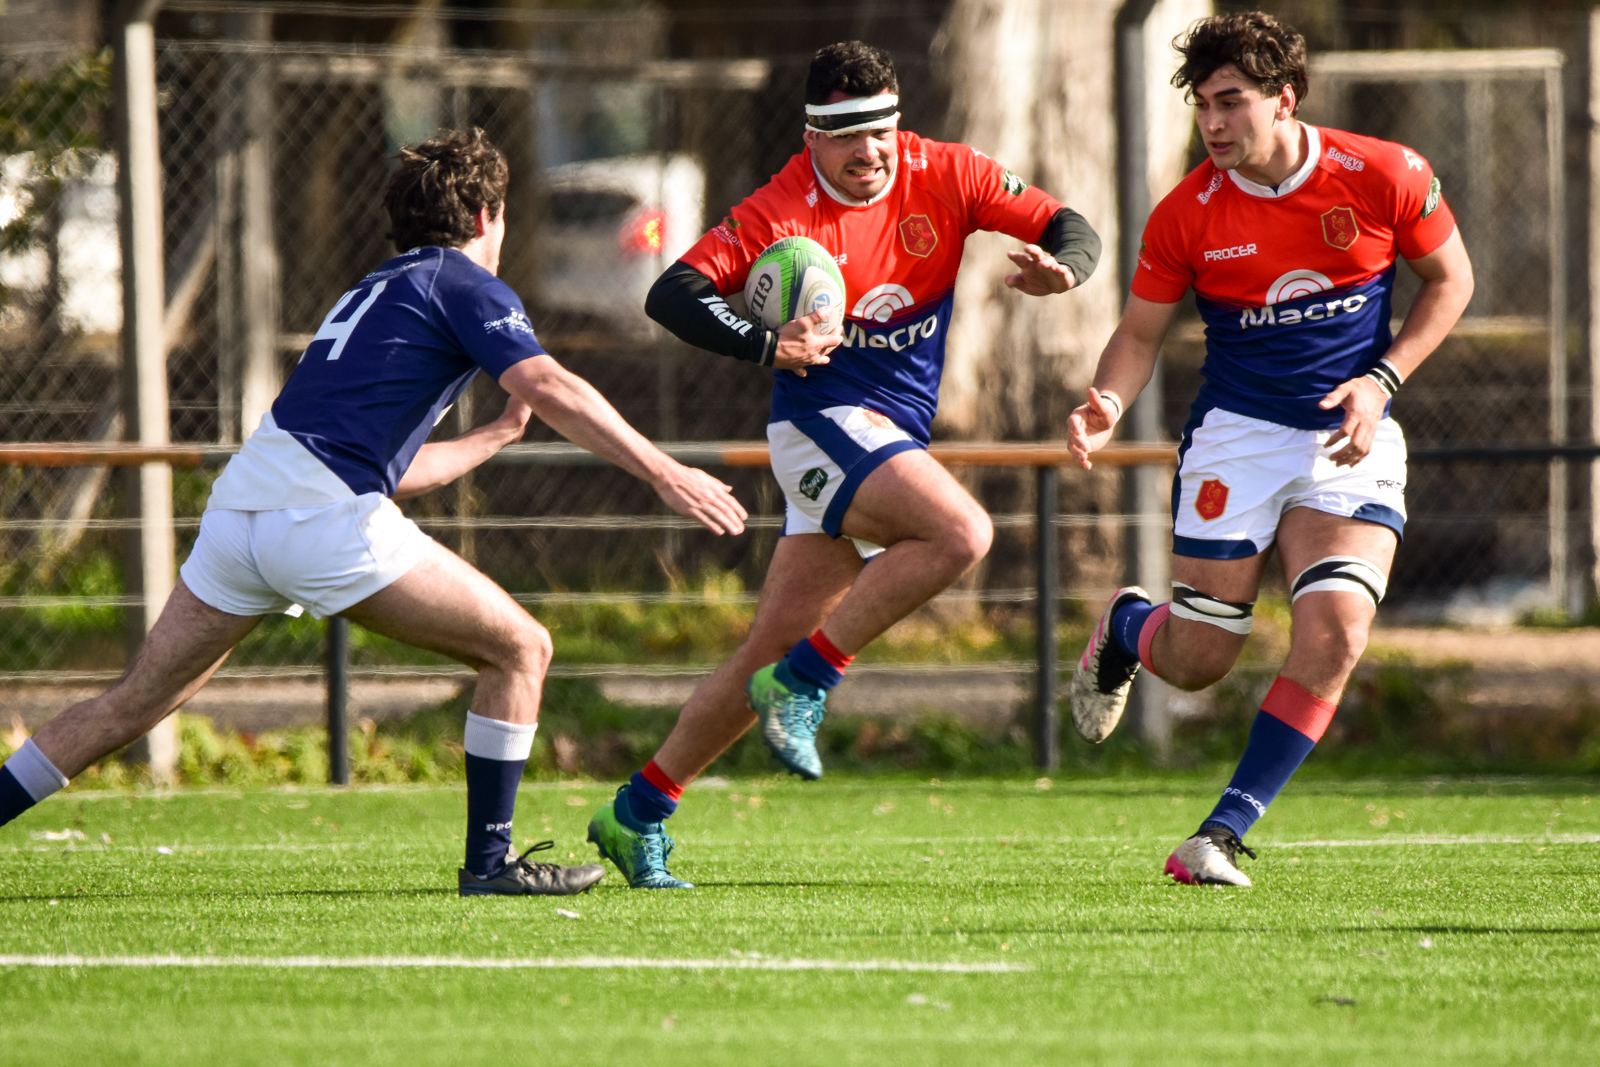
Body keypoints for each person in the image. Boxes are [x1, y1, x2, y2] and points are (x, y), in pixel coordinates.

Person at [0, 128, 748, 897]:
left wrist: (489, 439)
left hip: (243, 513)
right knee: (520, 649)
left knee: (132, 702)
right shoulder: (468, 284)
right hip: (318, 521)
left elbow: (378, 465)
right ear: (489, 213)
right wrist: (664, 471)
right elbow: (552, 387)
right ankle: (490, 865)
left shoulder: (377, 286)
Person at [585, 40, 1102, 888]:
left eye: (881, 131)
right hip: (820, 423)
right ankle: (808, 683)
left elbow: (1068, 226)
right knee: (962, 532)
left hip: (887, 435)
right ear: (812, 137)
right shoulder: (779, 212)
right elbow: (670, 292)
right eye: (847, 133)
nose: (870, 151)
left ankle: (633, 812)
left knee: (765, 648)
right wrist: (765, 342)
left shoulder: (948, 172)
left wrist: (1064, 272)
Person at [1067, 13, 1474, 886]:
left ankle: (1217, 834)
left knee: (1337, 629)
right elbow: (1139, 336)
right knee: (1199, 662)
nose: (1213, 124)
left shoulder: (1383, 172)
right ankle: (1128, 627)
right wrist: (1105, 400)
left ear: (1285, 99)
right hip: (1239, 438)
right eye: (1202, 106)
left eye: (1231, 102)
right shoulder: (1186, 214)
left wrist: (1384, 379)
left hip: (1349, 432)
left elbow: (1452, 280)